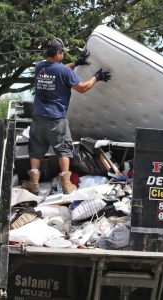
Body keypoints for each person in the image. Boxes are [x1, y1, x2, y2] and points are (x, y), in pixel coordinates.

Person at [22, 38, 111, 195]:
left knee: (36, 149)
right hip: (56, 119)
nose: (63, 54)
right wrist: (97, 77)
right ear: (57, 53)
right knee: (63, 149)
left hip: (38, 118)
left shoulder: (40, 67)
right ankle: (67, 185)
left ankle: (33, 183)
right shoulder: (63, 71)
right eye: (62, 52)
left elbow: (59, 71)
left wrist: (76, 64)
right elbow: (82, 88)